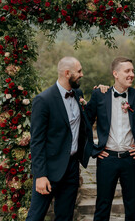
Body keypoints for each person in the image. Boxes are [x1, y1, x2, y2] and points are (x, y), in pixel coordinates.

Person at [85, 57, 135, 221]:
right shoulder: (100, 94)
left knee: (132, 208)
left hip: (131, 160)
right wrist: (92, 149)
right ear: (115, 73)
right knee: (102, 207)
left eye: (133, 71)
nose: (132, 74)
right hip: (107, 159)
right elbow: (85, 123)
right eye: (127, 71)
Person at [26, 56, 94, 221]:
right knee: (35, 216)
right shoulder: (43, 100)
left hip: (71, 168)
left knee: (65, 217)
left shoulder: (78, 93)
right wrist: (40, 175)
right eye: (79, 71)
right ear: (67, 73)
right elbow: (36, 141)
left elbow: (83, 124)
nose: (82, 74)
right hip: (48, 170)